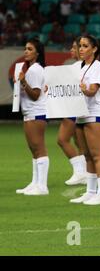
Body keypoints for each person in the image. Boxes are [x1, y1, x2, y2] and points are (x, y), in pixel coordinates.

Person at [70, 35, 100, 205]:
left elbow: (93, 90)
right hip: (80, 114)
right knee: (87, 155)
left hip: (94, 113)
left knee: (98, 155)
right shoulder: (78, 67)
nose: (81, 49)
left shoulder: (98, 67)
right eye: (80, 45)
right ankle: (90, 191)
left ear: (94, 49)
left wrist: (86, 89)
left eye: (85, 46)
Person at [15, 38, 50, 195]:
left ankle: (42, 186)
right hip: (30, 112)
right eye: (25, 48)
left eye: (30, 49)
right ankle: (35, 183)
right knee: (34, 149)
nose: (26, 51)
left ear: (37, 52)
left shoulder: (35, 70)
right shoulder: (32, 69)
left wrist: (23, 83)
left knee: (39, 148)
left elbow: (35, 95)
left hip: (36, 112)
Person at [58, 38, 87, 186]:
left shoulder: (77, 66)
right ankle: (84, 173)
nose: (72, 49)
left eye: (74, 47)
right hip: (80, 107)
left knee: (62, 139)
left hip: (72, 107)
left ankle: (80, 172)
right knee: (79, 143)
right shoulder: (83, 66)